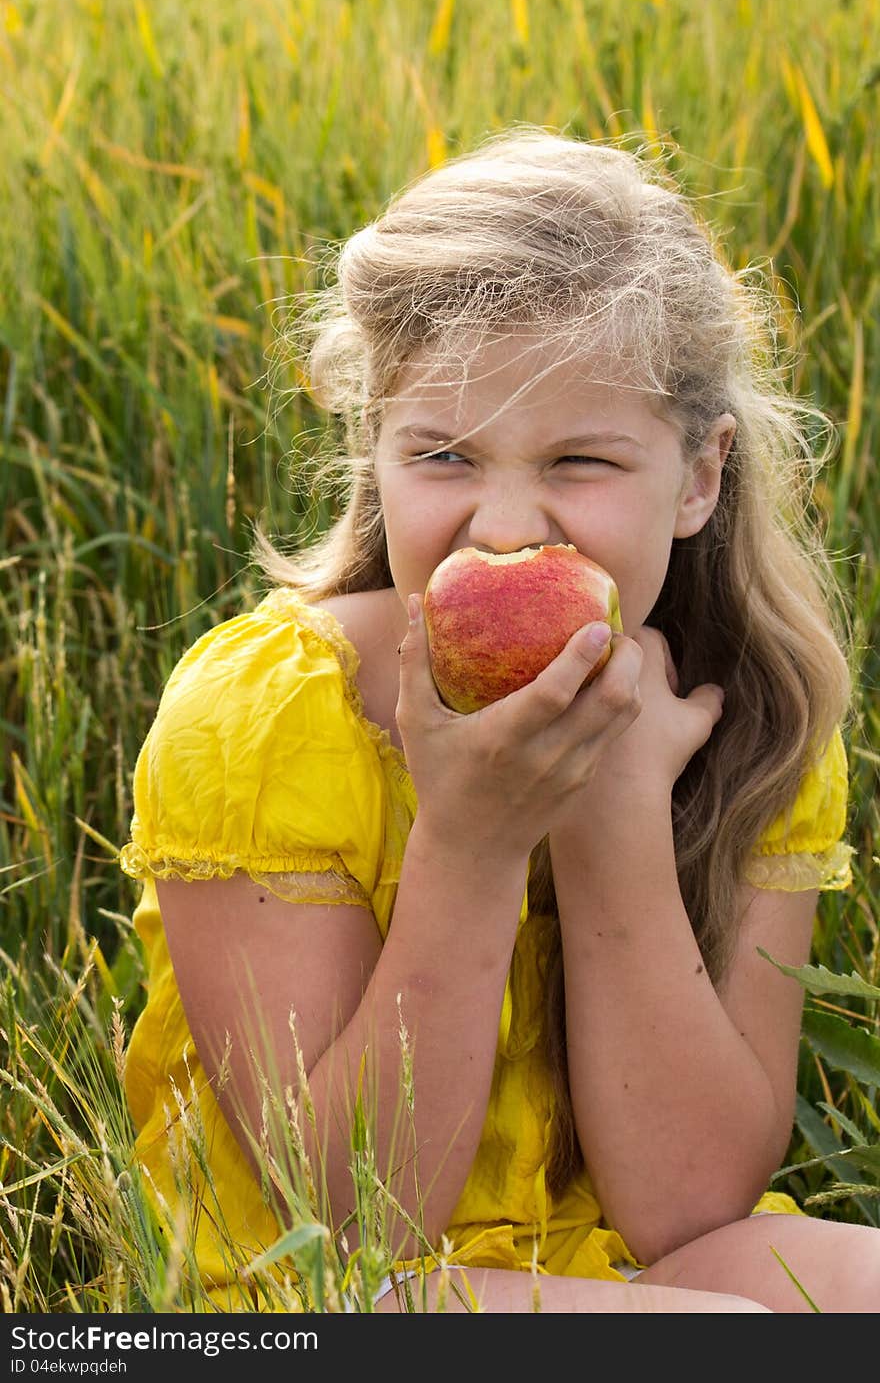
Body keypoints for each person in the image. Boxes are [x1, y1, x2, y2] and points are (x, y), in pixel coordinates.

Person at [119, 125, 880, 1313]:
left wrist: (612, 820)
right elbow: (357, 1222)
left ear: (697, 477)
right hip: (329, 1293)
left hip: (617, 1258)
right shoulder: (266, 719)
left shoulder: (751, 709)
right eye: (444, 456)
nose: (505, 528)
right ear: (374, 450)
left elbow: (689, 1205)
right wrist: (469, 843)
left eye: (579, 460)